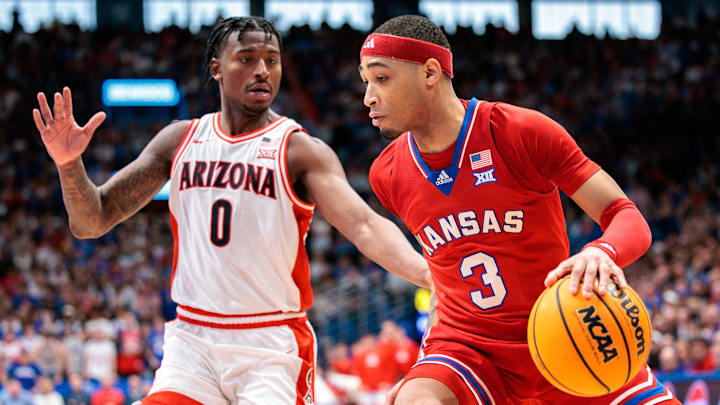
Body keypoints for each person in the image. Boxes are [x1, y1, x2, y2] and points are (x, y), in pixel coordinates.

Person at [33, 16, 429, 405]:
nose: (262, 70)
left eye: (272, 60)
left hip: (270, 345)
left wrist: (427, 274)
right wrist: (69, 165)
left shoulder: (297, 150)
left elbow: (363, 225)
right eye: (247, 58)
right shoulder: (178, 140)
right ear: (217, 69)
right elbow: (92, 221)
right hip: (193, 343)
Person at [358, 15, 680, 405]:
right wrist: (424, 375)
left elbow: (625, 216)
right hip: (471, 354)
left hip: (568, 332)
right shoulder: (387, 174)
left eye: (382, 79)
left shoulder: (518, 131)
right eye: (365, 82)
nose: (368, 97)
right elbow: (445, 271)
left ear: (430, 72)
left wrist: (601, 250)